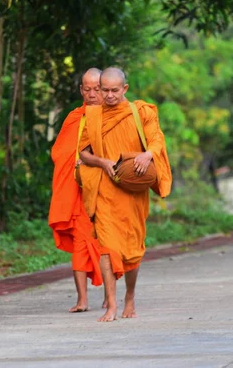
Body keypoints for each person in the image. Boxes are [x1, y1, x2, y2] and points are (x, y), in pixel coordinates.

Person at [78, 67, 172, 322]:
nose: (107, 95)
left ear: (125, 89)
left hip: (133, 190)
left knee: (132, 250)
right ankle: (111, 305)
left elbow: (156, 140)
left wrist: (147, 154)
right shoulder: (93, 115)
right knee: (107, 248)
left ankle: (129, 297)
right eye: (103, 90)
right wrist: (102, 162)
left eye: (113, 91)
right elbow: (83, 152)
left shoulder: (141, 112)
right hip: (106, 189)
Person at [49, 68, 104, 313]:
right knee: (82, 241)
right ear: (81, 90)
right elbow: (59, 152)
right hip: (79, 190)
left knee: (109, 244)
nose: (92, 94)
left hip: (106, 190)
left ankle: (109, 296)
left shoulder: (115, 116)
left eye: (97, 88)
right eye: (87, 88)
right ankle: (82, 300)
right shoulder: (74, 117)